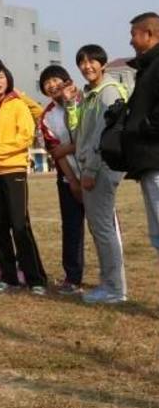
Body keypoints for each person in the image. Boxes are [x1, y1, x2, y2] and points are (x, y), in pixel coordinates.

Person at [0, 64, 47, 295]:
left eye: (1, 76)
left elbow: (25, 136)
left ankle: (36, 279)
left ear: (8, 79)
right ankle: (9, 277)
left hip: (13, 171)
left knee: (20, 225)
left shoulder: (18, 105)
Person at [66, 44, 129, 304]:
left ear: (102, 63)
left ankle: (114, 288)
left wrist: (90, 170)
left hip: (101, 167)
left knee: (103, 228)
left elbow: (102, 135)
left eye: (92, 61)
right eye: (82, 62)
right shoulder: (90, 93)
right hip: (93, 165)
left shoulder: (109, 91)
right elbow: (79, 132)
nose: (86, 66)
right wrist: (71, 105)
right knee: (100, 227)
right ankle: (110, 283)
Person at [38, 65, 86, 294]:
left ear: (66, 80)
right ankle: (73, 277)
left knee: (104, 228)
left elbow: (87, 139)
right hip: (68, 180)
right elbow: (55, 154)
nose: (52, 85)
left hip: (94, 175)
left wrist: (68, 147)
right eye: (47, 83)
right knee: (71, 228)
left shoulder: (85, 100)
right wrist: (73, 183)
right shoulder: (46, 116)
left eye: (56, 79)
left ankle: (113, 278)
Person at [125, 12, 159, 260]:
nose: (131, 41)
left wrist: (144, 128)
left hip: (156, 158)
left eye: (133, 35)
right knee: (156, 234)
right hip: (147, 161)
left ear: (149, 34)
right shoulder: (147, 68)